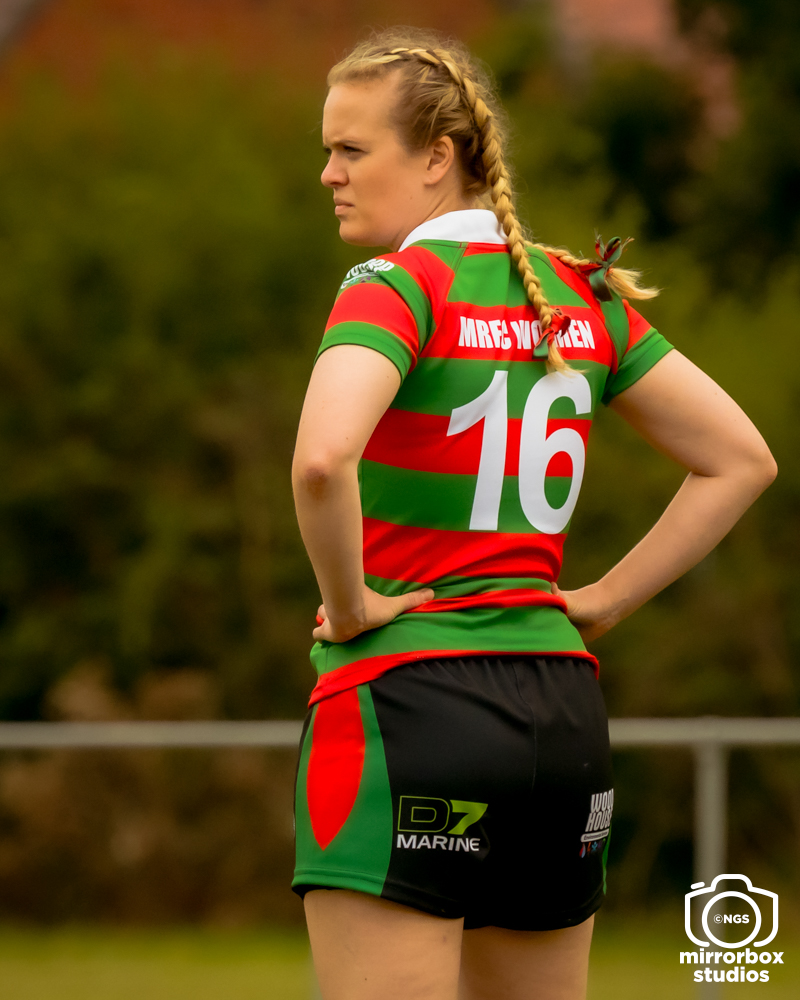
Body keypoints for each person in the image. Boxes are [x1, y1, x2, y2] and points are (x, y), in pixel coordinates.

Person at [290, 28, 776, 1000]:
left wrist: (349, 608)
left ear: (437, 156)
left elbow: (320, 460)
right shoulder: (577, 294)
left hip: (406, 702)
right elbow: (740, 460)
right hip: (561, 718)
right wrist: (601, 602)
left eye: (350, 149)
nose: (328, 174)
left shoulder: (394, 287)